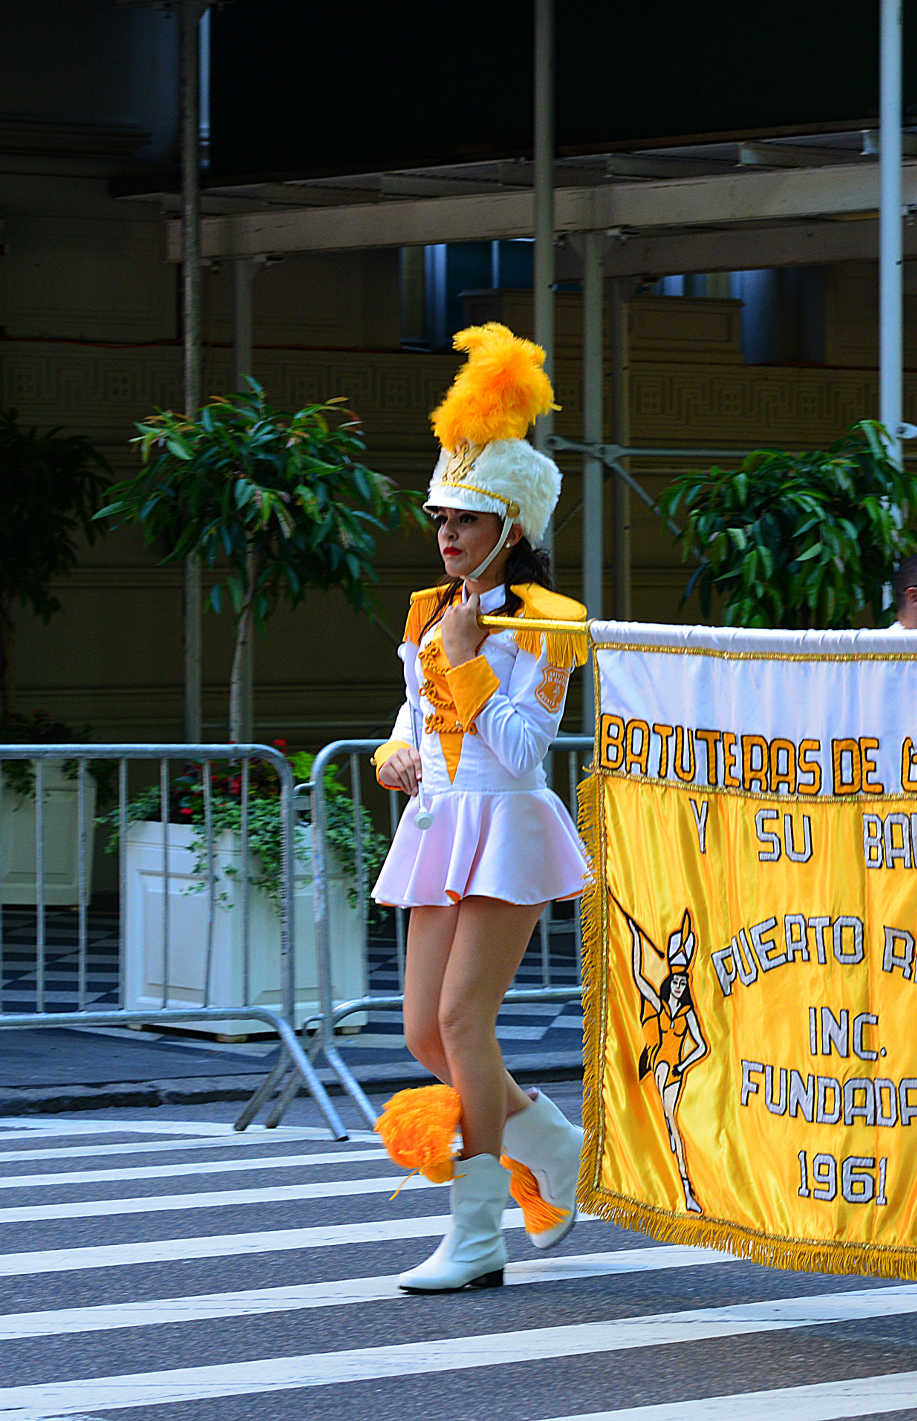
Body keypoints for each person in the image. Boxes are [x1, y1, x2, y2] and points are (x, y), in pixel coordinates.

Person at [368, 324, 593, 1293]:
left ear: (513, 526)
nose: (446, 533)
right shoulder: (431, 609)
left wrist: (466, 654)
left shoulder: (544, 625)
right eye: (439, 517)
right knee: (424, 1030)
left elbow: (517, 749)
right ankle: (550, 1139)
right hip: (439, 823)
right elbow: (411, 714)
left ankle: (477, 1234)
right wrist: (394, 751)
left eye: (465, 518)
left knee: (463, 1019)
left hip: (506, 825)